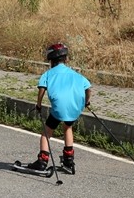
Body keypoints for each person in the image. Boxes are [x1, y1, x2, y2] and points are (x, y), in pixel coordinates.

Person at [22, 43, 91, 173]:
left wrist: (38, 104)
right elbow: (88, 88)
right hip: (74, 109)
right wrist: (86, 102)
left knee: (46, 133)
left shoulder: (48, 74)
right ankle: (68, 160)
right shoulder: (75, 74)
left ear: (50, 60)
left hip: (58, 109)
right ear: (66, 59)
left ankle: (42, 160)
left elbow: (42, 89)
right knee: (67, 127)